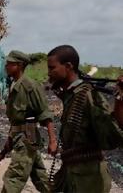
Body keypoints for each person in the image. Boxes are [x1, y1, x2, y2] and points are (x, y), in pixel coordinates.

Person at [47, 45, 123, 193]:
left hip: (89, 180)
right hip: (72, 173)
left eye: (52, 68)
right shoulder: (72, 94)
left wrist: (120, 100)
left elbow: (114, 136)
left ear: (68, 66)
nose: (49, 73)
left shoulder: (88, 95)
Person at [1, 50, 57, 193]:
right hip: (20, 136)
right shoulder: (14, 85)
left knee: (14, 178)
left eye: (9, 64)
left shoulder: (30, 86)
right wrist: (9, 139)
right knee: (38, 175)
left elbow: (45, 114)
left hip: (27, 137)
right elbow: (16, 119)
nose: (6, 66)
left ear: (19, 65)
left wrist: (52, 140)